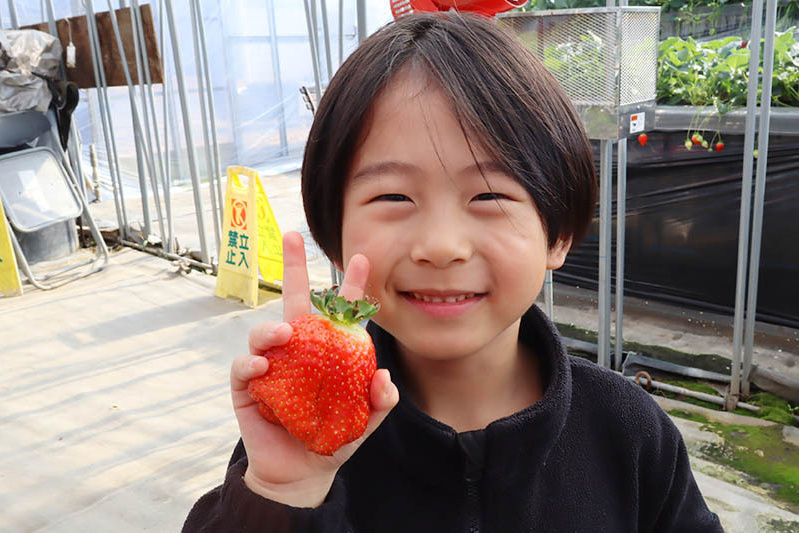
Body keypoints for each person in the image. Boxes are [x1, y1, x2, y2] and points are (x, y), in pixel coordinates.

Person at [184, 12, 722, 532]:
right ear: (336, 236)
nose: (441, 247)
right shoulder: (304, 434)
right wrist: (282, 495)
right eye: (393, 197)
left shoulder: (627, 432)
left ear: (557, 233)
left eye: (488, 195)